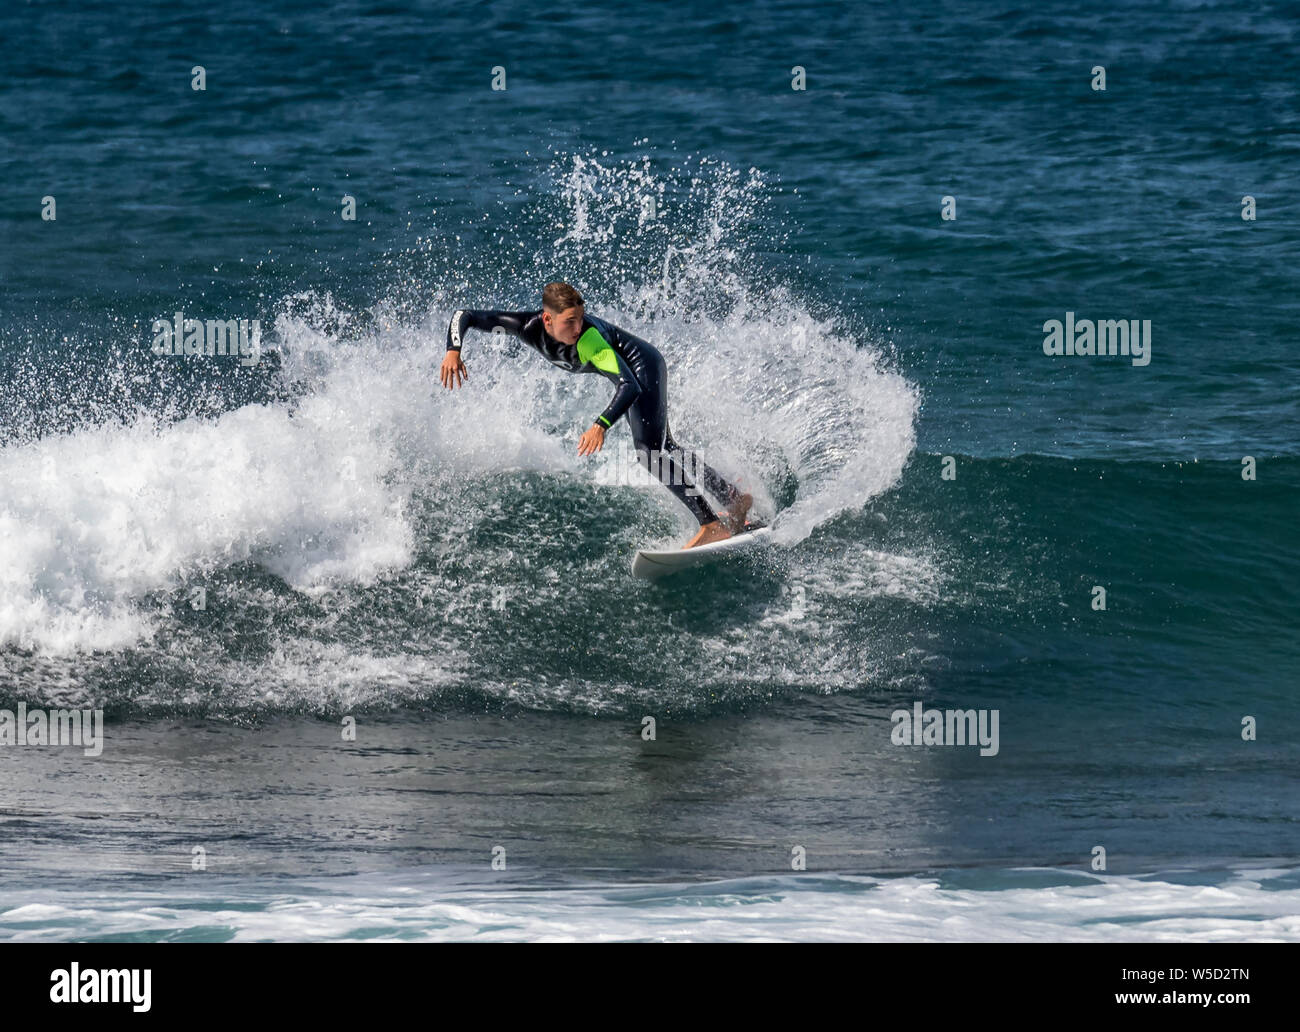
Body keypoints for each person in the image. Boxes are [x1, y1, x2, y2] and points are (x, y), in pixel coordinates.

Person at [439, 282, 752, 548]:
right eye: (569, 322)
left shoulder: (588, 338)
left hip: (643, 368)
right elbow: (463, 315)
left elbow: (629, 386)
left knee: (649, 453)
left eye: (580, 318)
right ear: (547, 320)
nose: (577, 328)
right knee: (664, 447)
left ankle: (711, 524)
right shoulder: (525, 327)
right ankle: (732, 497)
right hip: (636, 371)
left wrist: (601, 424)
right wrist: (454, 349)